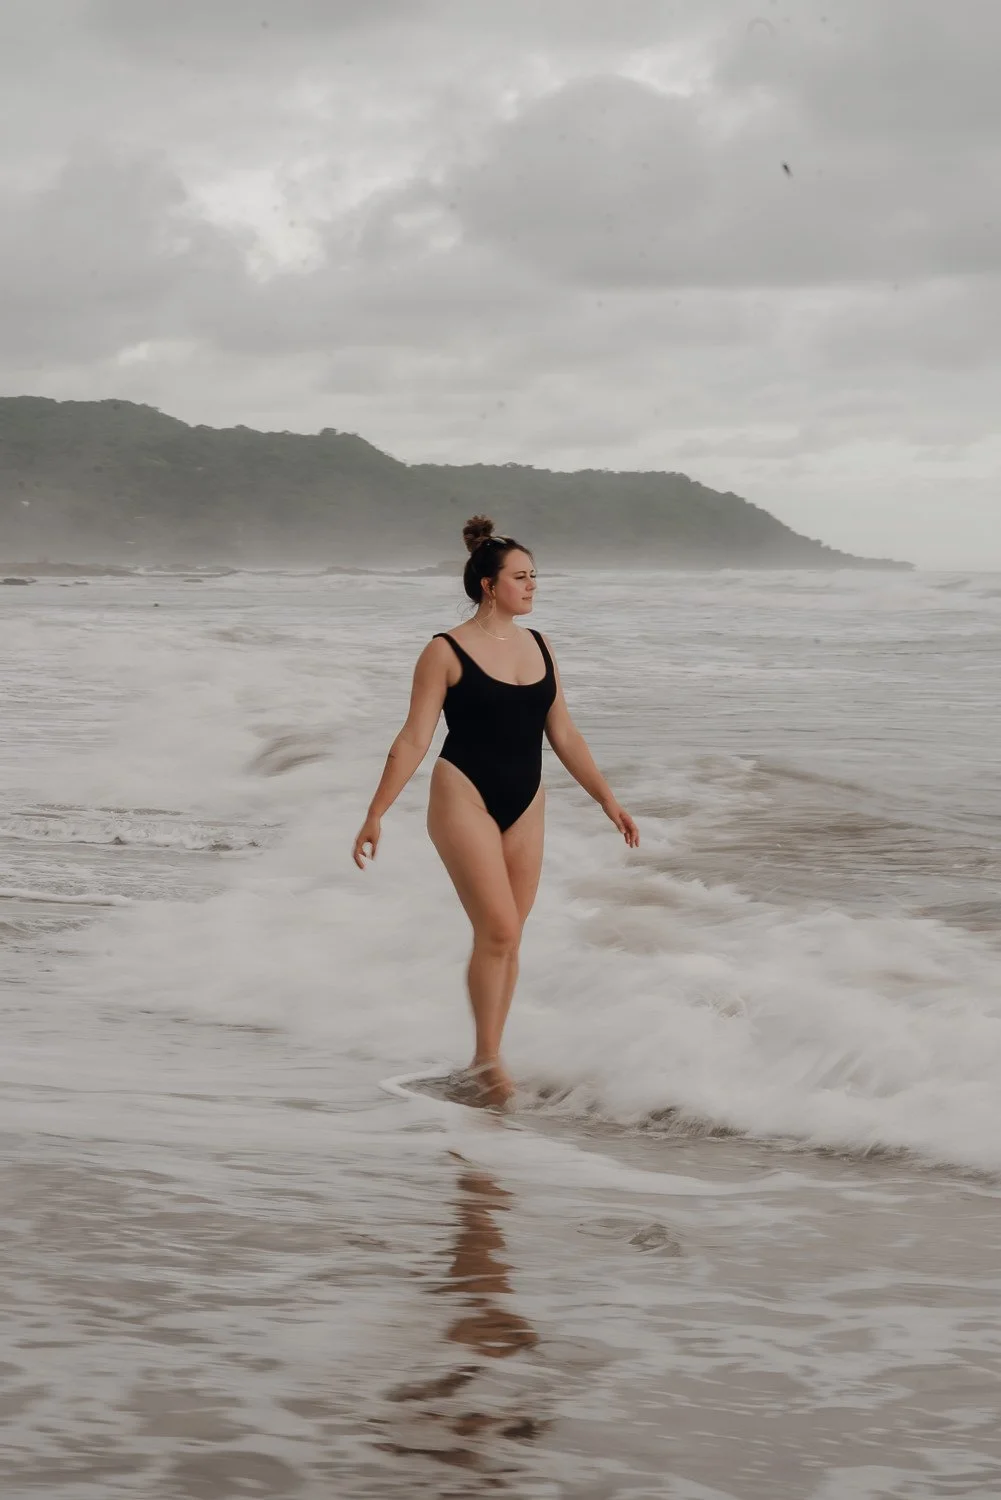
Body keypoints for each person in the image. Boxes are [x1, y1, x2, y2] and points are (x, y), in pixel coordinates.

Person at [352, 515, 639, 1107]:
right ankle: (487, 1062)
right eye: (521, 577)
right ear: (489, 584)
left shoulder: (540, 645)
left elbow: (562, 732)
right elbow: (412, 738)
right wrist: (376, 812)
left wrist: (608, 800)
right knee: (499, 928)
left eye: (535, 576)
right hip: (464, 792)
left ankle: (487, 1055)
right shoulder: (444, 650)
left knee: (510, 939)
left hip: (527, 797)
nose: (533, 586)